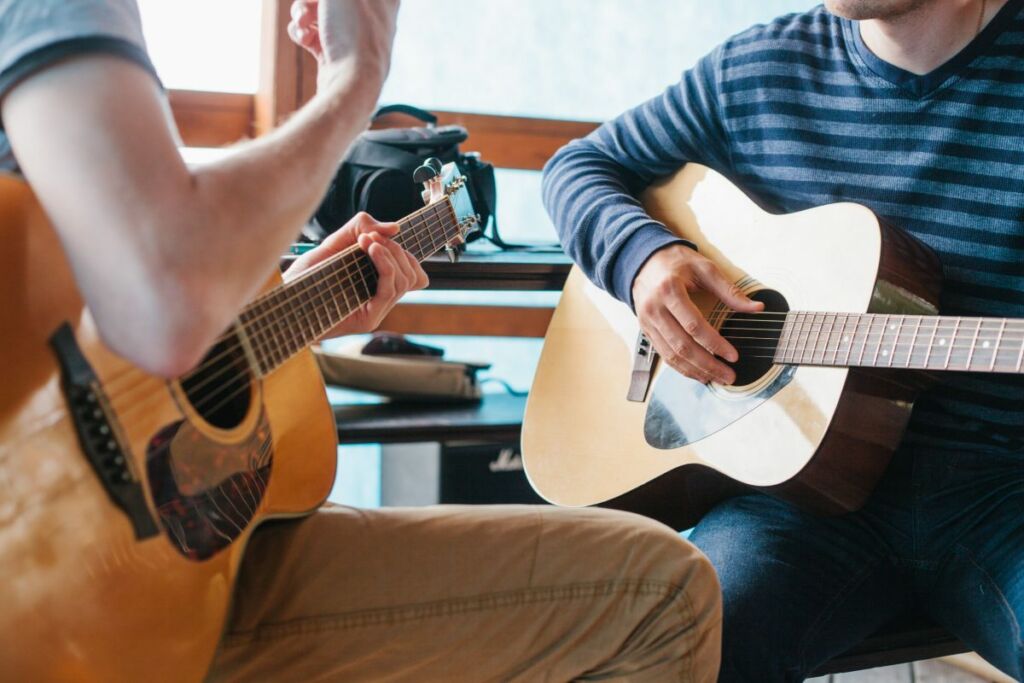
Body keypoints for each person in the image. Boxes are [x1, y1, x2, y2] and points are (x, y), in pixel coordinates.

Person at [0, 0, 723, 680]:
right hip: (85, 601)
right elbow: (164, 298)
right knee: (662, 600)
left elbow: (128, 286)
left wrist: (284, 298)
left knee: (669, 578)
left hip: (178, 561)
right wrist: (355, 81)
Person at [543, 0, 1024, 680]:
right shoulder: (761, 67)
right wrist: (643, 261)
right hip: (795, 501)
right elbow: (579, 166)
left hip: (1003, 491)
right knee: (672, 655)